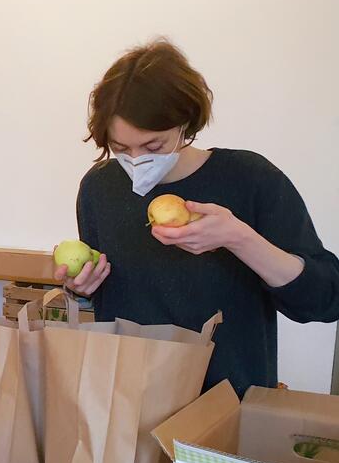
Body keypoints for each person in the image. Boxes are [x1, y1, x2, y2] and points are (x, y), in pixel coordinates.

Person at [56, 39, 339, 398]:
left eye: (154, 146)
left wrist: (238, 237)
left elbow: (325, 300)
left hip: (229, 406)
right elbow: (110, 298)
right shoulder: (100, 188)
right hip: (130, 403)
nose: (137, 161)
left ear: (185, 123)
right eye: (121, 149)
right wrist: (82, 289)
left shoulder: (250, 179)